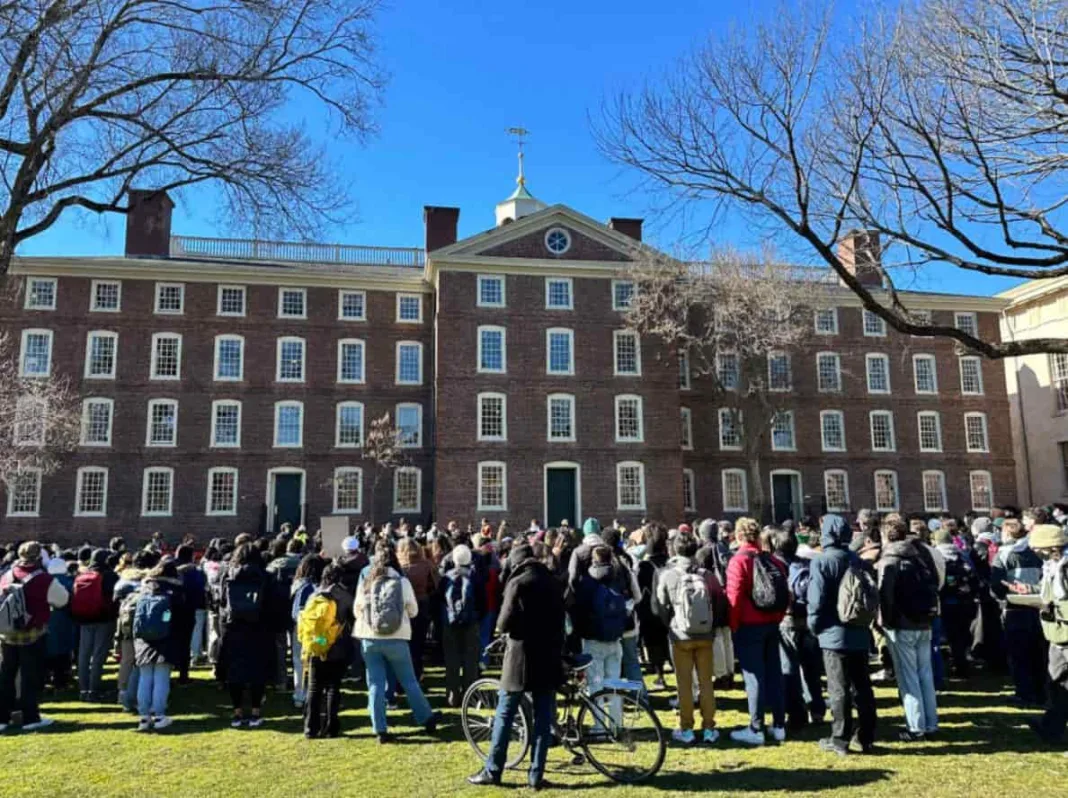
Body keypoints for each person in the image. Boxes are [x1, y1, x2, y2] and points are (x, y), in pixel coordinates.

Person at [468, 543, 566, 790]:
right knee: (543, 718)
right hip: (548, 655)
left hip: (521, 656)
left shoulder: (518, 583)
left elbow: (503, 623)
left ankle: (494, 769)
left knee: (505, 712)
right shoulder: (553, 582)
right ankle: (536, 775)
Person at [355, 542, 441, 743]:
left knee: (375, 683)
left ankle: (380, 728)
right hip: (397, 637)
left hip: (370, 637)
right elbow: (413, 610)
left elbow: (357, 609)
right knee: (409, 681)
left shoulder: (366, 581)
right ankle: (426, 718)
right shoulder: (401, 581)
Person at [808, 514, 877, 756]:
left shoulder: (822, 562)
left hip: (832, 632)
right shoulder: (856, 560)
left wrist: (814, 626)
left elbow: (815, 601)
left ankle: (840, 738)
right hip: (858, 630)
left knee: (838, 689)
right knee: (862, 687)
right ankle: (866, 736)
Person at [877, 514, 940, 742]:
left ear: (886, 535)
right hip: (925, 621)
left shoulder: (889, 560)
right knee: (925, 674)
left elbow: (886, 596)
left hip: (902, 624)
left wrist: (885, 622)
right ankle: (931, 723)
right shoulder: (920, 556)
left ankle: (915, 727)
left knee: (908, 677)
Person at [726, 517, 788, 745]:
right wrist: (777, 618)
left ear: (739, 535)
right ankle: (779, 725)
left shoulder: (738, 561)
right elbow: (784, 592)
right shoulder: (773, 560)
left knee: (754, 677)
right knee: (774, 673)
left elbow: (734, 597)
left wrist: (734, 626)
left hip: (749, 625)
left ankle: (756, 727)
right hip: (772, 623)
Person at [653, 534, 720, 745]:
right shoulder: (706, 574)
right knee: (706, 682)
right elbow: (719, 601)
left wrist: (670, 624)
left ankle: (686, 727)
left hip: (680, 634)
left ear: (675, 550)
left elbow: (660, 605)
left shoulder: (668, 575)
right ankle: (709, 727)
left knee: (683, 684)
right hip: (705, 635)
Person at [0, 542, 70, 732]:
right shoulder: (44, 579)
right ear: (39, 557)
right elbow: (62, 599)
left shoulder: (7, 575)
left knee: (6, 676)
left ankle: (2, 717)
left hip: (6, 633)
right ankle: (30, 717)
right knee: (30, 677)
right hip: (32, 633)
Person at [991, 518, 1048, 706]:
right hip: (1040, 608)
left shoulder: (1004, 555)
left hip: (1014, 609)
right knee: (1039, 654)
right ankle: (1042, 692)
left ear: (1006, 534)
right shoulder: (1039, 552)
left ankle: (1024, 693)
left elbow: (997, 586)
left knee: (1019, 655)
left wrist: (1002, 596)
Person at [1020, 524, 1068, 744]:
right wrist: (1031, 593)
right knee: (1057, 684)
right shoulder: (1052, 567)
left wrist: (1049, 608)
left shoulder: (1064, 569)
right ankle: (1052, 727)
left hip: (1064, 631)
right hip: (1056, 635)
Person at [774, 526, 825, 730]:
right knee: (811, 668)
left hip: (787, 620)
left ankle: (796, 714)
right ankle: (818, 709)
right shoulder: (808, 564)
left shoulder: (776, 566)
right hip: (809, 619)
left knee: (790, 669)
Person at [218, 544, 274, 728]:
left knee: (235, 672)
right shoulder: (265, 575)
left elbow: (221, 601)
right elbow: (271, 603)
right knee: (257, 672)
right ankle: (256, 712)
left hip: (234, 628)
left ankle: (237, 712)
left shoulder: (228, 575)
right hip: (259, 628)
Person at [574, 546, 629, 725]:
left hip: (593, 639)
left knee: (595, 684)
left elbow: (579, 609)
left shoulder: (586, 582)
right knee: (614, 683)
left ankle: (599, 726)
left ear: (593, 560)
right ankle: (617, 724)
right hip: (615, 638)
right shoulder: (618, 578)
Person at [132, 559, 186, 731]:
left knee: (145, 676)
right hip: (167, 637)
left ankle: (144, 716)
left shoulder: (145, 587)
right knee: (161, 677)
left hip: (143, 639)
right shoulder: (175, 590)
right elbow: (180, 615)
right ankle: (159, 714)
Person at [301, 563, 353, 739]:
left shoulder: (314, 595)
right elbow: (352, 619)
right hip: (336, 645)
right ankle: (331, 727)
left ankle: (310, 728)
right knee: (333, 687)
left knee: (314, 687)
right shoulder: (344, 596)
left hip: (316, 644)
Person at [72, 548, 120, 700]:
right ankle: (94, 690)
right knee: (99, 655)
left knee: (84, 654)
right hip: (104, 619)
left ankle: (83, 689)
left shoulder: (81, 575)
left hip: (84, 619)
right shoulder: (110, 576)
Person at [439, 544, 482, 707]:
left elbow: (440, 600)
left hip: (450, 623)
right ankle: (470, 695)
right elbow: (482, 601)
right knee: (470, 661)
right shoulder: (475, 576)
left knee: (452, 660)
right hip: (471, 622)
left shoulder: (446, 577)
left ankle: (452, 695)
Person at [933, 527, 979, 678]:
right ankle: (963, 662)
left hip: (946, 601)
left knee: (950, 636)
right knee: (963, 634)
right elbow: (974, 575)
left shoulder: (936, 556)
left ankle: (958, 665)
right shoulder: (962, 555)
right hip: (966, 601)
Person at [114, 550, 156, 712]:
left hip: (124, 623)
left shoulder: (123, 579)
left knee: (126, 660)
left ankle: (122, 693)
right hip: (144, 625)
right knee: (143, 662)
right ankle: (141, 696)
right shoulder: (149, 580)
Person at [637, 525, 671, 690]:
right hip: (668, 610)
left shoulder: (644, 566)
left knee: (654, 644)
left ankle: (660, 676)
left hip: (650, 611)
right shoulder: (669, 564)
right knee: (667, 641)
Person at [290, 554, 326, 708]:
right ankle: (319, 693)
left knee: (300, 662)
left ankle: (300, 695)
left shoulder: (303, 587)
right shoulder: (325, 587)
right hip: (322, 632)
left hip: (303, 631)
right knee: (321, 660)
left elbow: (295, 612)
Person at [398, 537, 437, 682]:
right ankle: (417, 672)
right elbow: (434, 585)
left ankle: (403, 675)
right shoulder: (426, 565)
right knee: (418, 642)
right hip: (421, 603)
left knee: (404, 643)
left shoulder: (400, 567)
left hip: (404, 606)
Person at [174, 544, 205, 684]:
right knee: (185, 642)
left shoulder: (170, 569)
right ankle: (183, 674)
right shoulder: (194, 572)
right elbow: (199, 590)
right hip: (188, 610)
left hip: (170, 610)